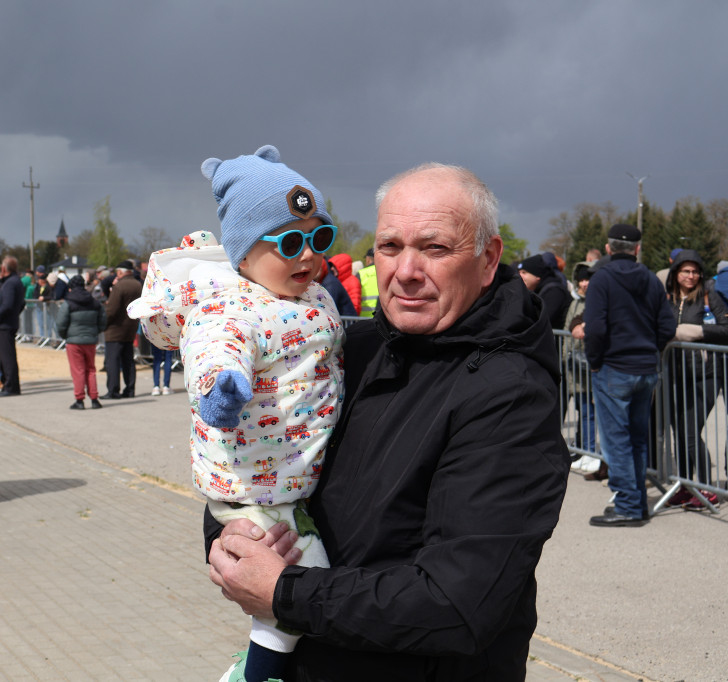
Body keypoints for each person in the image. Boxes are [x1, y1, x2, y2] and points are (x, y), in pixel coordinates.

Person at [206, 162, 569, 680]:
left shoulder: (511, 397)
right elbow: (255, 465)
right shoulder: (347, 351)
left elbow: (457, 605)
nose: (406, 270)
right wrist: (234, 538)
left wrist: (285, 592)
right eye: (390, 247)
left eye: (435, 248)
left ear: (488, 260)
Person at [130, 145, 344, 682]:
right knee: (302, 581)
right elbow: (214, 346)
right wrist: (222, 385)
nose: (307, 255)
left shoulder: (314, 296)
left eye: (319, 238)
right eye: (290, 242)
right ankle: (253, 677)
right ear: (243, 255)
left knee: (302, 582)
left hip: (291, 481)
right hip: (251, 485)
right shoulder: (229, 303)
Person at [583, 224, 677, 527]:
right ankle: (635, 503)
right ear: (637, 248)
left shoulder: (602, 279)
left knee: (617, 441)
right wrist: (651, 350)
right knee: (636, 439)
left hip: (614, 367)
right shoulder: (651, 280)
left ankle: (628, 505)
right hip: (645, 367)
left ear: (609, 248)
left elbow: (594, 328)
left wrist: (595, 361)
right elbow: (667, 327)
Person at [662, 249, 727, 509]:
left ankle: (706, 488)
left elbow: (726, 330)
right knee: (679, 433)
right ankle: (684, 485)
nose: (691, 275)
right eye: (686, 271)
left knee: (690, 432)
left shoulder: (712, 297)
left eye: (695, 271)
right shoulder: (667, 300)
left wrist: (696, 331)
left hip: (705, 377)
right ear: (675, 273)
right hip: (676, 376)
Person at [565, 263, 603, 477]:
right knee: (583, 411)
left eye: (588, 279)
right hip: (574, 366)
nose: (584, 283)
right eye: (581, 279)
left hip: (588, 364)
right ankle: (585, 450)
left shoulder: (594, 301)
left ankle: (591, 452)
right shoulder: (576, 301)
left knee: (590, 412)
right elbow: (569, 325)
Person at [56, 274, 105, 410]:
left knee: (78, 371)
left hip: (74, 341)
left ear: (70, 288)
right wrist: (96, 332)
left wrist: (65, 335)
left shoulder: (68, 303)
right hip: (90, 340)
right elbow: (103, 320)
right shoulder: (94, 302)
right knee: (91, 369)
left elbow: (60, 323)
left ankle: (79, 400)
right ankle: (94, 399)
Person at [102, 261, 142, 399]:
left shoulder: (119, 286)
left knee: (113, 361)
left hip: (115, 329)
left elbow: (111, 310)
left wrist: (103, 324)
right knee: (128, 361)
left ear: (120, 272)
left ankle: (113, 390)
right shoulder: (138, 285)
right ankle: (130, 389)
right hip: (130, 327)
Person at [0, 256, 24, 397]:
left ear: (4, 269)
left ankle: (11, 387)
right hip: (9, 322)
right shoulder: (15, 282)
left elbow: (8, 304)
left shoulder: (11, 283)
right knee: (7, 356)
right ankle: (9, 385)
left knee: (7, 357)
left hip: (5, 324)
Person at [517, 254, 571, 329]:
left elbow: (543, 319)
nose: (519, 276)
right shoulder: (538, 290)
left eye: (524, 272)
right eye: (519, 272)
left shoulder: (555, 291)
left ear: (537, 275)